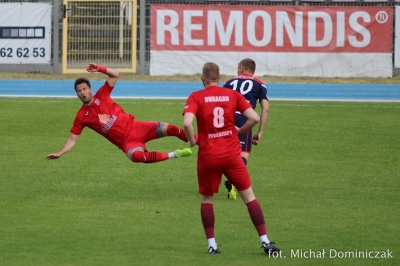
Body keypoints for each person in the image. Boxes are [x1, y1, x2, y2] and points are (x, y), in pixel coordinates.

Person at [182, 62, 280, 255]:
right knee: (250, 197)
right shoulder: (232, 95)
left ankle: (212, 245)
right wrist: (239, 131)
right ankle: (265, 242)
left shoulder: (195, 96)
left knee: (207, 200)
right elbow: (255, 117)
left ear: (202, 78)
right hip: (231, 154)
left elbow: (187, 122)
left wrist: (193, 140)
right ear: (220, 79)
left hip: (208, 155)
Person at [46, 63, 192, 163]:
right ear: (77, 95)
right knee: (137, 157)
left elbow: (115, 74)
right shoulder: (81, 116)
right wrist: (60, 153)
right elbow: (72, 139)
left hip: (137, 127)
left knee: (169, 128)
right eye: (79, 91)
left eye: (84, 89)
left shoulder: (102, 94)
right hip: (127, 142)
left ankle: (196, 141)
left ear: (90, 90)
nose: (82, 92)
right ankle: (174, 154)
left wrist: (99, 68)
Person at [222, 58, 270, 200]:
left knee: (223, 153)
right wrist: (260, 132)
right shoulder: (260, 84)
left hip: (228, 119)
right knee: (243, 155)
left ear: (241, 68)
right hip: (246, 118)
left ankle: (225, 179)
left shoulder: (229, 82)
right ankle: (232, 180)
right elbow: (266, 108)